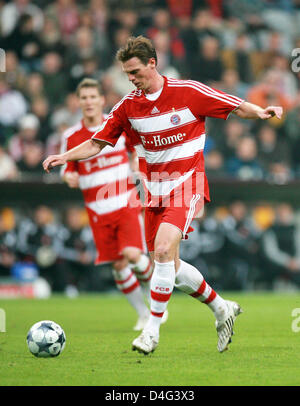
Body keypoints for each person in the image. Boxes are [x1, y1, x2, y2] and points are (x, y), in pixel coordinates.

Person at [43, 35, 283, 355]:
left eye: (136, 72)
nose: (132, 79)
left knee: (164, 249)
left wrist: (262, 111)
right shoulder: (128, 107)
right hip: (154, 192)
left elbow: (236, 105)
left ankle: (151, 332)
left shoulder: (188, 92)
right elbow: (98, 142)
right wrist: (65, 157)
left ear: (152, 63)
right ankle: (221, 308)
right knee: (167, 263)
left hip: (188, 181)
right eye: (127, 74)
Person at [59, 78, 157, 331]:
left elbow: (137, 148)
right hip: (97, 211)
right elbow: (69, 171)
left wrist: (137, 163)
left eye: (93, 97)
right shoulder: (70, 137)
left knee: (133, 255)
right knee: (118, 265)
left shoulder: (116, 125)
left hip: (124, 202)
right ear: (78, 102)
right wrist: (69, 177)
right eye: (84, 97)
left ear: (102, 99)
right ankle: (143, 314)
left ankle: (158, 304)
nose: (89, 102)